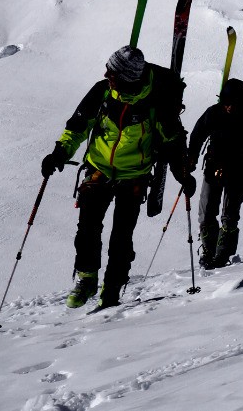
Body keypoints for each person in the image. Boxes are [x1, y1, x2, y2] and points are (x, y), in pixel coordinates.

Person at [40, 45, 196, 309]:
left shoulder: (155, 103)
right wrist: (59, 153)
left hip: (134, 176)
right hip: (98, 168)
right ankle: (87, 279)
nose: (105, 74)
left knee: (121, 237)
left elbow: (172, 142)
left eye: (111, 72)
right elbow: (77, 126)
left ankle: (111, 291)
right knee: (88, 228)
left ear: (126, 77)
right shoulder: (102, 92)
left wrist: (182, 174)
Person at [186, 77, 243, 269]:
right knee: (208, 213)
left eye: (230, 103)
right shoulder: (221, 114)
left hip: (235, 172)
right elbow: (197, 135)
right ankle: (211, 253)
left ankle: (221, 256)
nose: (227, 107)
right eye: (225, 103)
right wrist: (191, 158)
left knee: (227, 216)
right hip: (217, 169)